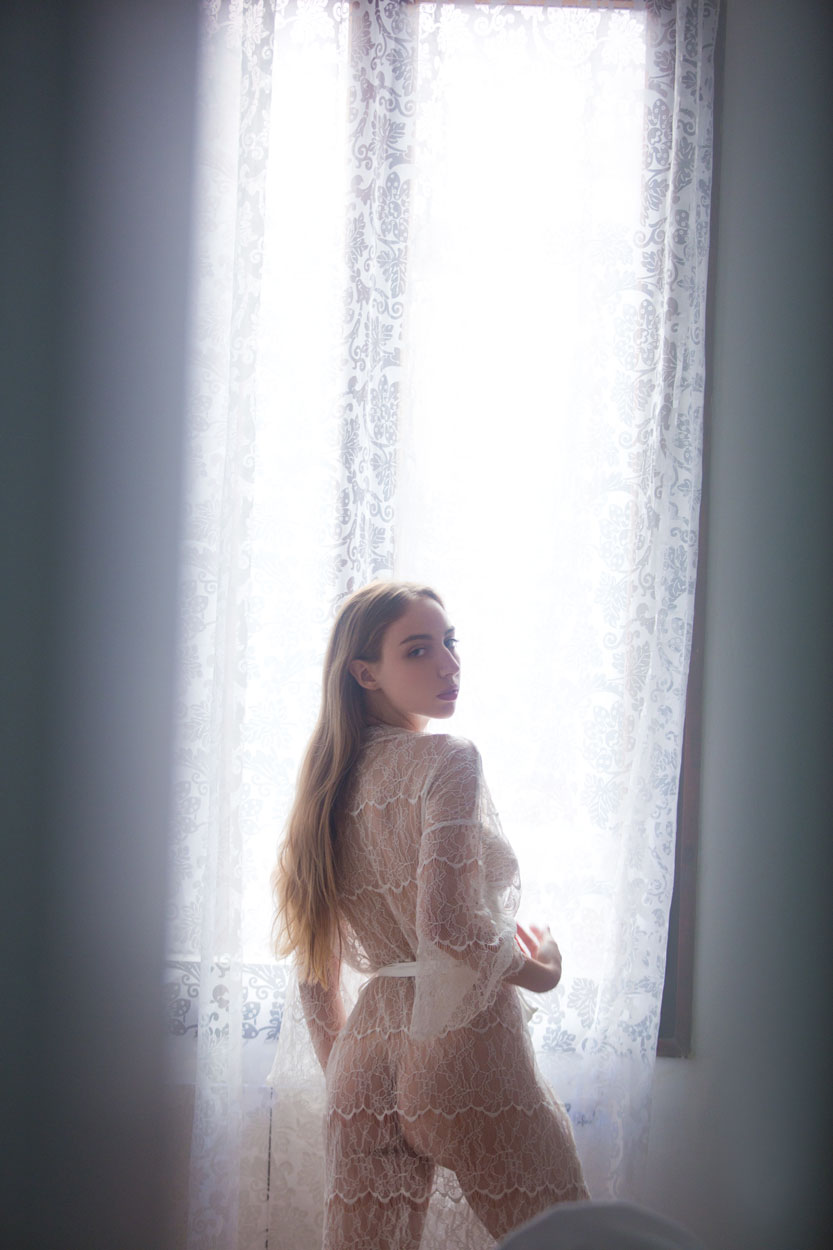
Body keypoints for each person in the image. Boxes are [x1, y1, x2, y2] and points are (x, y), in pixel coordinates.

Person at [272, 581, 588, 1250]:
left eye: (449, 642)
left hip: (363, 1056)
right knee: (574, 1240)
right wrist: (542, 971)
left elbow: (311, 964)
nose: (448, 664)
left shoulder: (324, 788)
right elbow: (445, 927)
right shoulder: (448, 758)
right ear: (365, 673)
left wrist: (347, 1076)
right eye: (418, 650)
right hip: (458, 1043)